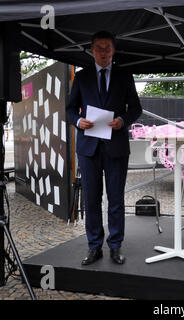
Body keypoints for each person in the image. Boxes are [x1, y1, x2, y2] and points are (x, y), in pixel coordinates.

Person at [66, 31, 142, 265]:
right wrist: (78, 121)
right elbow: (70, 109)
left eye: (107, 48)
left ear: (113, 50)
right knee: (91, 199)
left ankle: (115, 246)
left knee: (116, 199)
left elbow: (135, 108)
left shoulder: (124, 76)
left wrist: (123, 120)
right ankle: (94, 246)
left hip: (116, 147)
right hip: (88, 148)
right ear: (92, 51)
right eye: (99, 48)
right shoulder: (81, 77)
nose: (103, 52)